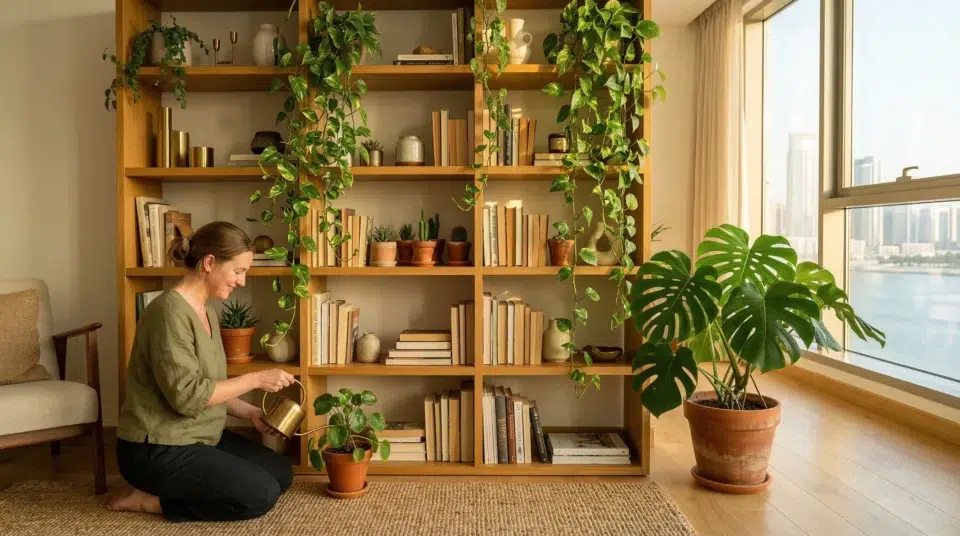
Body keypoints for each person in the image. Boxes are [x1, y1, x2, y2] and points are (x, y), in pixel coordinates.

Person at [107, 221, 297, 522]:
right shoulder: (168, 312)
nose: (242, 281)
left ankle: (180, 488)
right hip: (158, 448)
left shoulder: (206, 311)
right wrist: (256, 379)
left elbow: (209, 386)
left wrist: (250, 412)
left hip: (201, 436)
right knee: (260, 495)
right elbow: (188, 396)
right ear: (209, 263)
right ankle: (153, 502)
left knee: (281, 473)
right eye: (238, 271)